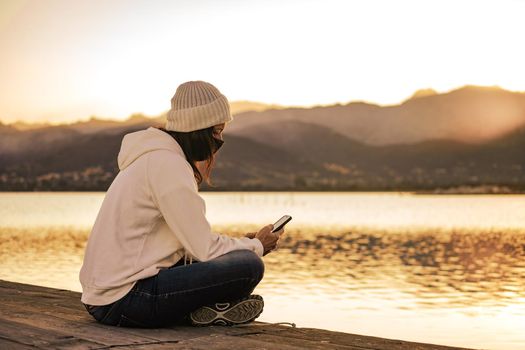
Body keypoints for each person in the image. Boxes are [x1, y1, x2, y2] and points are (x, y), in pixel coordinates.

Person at [79, 80, 284, 328]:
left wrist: (244, 244)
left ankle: (204, 311)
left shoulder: (152, 158)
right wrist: (256, 246)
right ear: (199, 128)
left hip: (104, 298)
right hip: (125, 300)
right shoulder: (168, 165)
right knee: (249, 266)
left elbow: (189, 247)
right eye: (217, 131)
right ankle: (202, 311)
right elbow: (203, 248)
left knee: (241, 255)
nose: (219, 141)